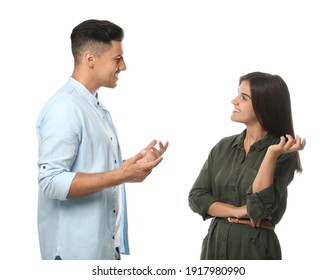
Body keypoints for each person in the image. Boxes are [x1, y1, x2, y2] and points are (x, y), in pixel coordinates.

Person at [36, 19, 168, 260]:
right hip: (74, 256)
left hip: (103, 250)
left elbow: (93, 168)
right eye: (117, 59)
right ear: (90, 59)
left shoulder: (95, 108)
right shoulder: (65, 108)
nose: (124, 66)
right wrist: (121, 175)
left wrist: (132, 165)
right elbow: (51, 180)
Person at [188, 71, 305, 260]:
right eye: (238, 94)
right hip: (215, 245)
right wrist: (236, 211)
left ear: (264, 105)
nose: (234, 101)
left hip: (254, 248)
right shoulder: (224, 146)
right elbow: (196, 197)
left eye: (244, 97)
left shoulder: (283, 153)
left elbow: (258, 209)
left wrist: (270, 154)